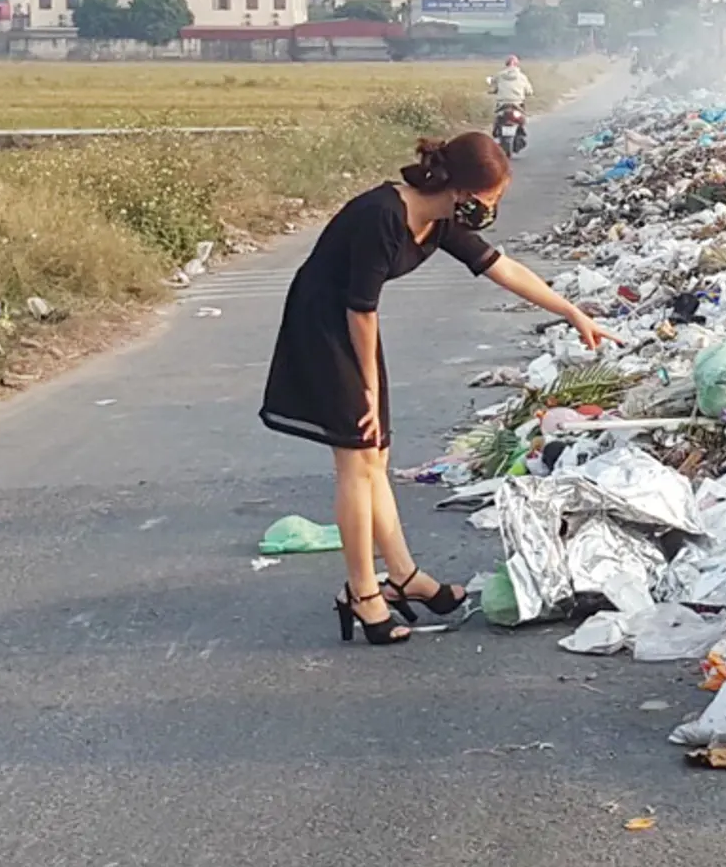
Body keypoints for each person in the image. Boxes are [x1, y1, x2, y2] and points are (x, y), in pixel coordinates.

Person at [260, 133, 616, 646]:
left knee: (376, 456)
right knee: (357, 462)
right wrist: (365, 387)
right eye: (489, 202)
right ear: (462, 191)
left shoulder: (438, 220)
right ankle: (362, 593)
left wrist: (572, 312)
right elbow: (360, 308)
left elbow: (502, 267)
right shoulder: (383, 215)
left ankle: (403, 577)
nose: (489, 212)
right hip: (324, 327)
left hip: (351, 328)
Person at [486, 55, 534, 145]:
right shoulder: (522, 77)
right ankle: (521, 130)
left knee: (497, 118)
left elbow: (494, 88)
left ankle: (496, 130)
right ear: (517, 65)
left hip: (502, 104)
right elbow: (529, 91)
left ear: (506, 64)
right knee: (522, 117)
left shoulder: (499, 75)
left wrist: (492, 91)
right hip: (517, 104)